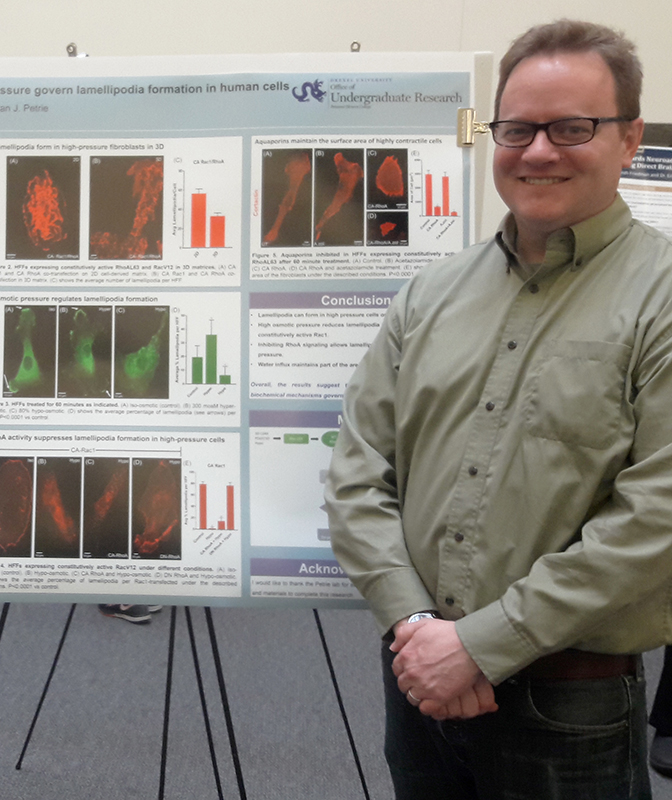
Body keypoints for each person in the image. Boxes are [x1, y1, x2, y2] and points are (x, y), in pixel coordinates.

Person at [325, 19, 671, 799]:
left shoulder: (663, 297)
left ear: (629, 138)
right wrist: (415, 627)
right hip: (416, 683)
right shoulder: (429, 295)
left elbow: (659, 516)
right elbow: (357, 472)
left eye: (572, 126)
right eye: (516, 128)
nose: (538, 150)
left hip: (567, 702)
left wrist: (484, 644)